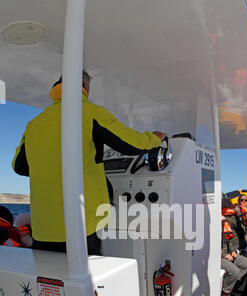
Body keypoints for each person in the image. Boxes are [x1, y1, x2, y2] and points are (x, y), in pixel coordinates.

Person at [12, 70, 167, 255]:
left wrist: (50, 166)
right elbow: (131, 144)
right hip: (82, 225)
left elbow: (18, 166)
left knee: (51, 282)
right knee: (85, 281)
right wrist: (154, 139)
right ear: (84, 87)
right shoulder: (90, 113)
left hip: (43, 229)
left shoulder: (34, 125)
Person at [221, 198, 247, 296]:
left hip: (229, 251)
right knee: (234, 271)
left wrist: (232, 252)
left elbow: (228, 240)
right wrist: (224, 255)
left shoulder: (224, 220)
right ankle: (225, 291)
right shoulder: (211, 222)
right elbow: (209, 244)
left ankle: (231, 286)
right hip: (217, 256)